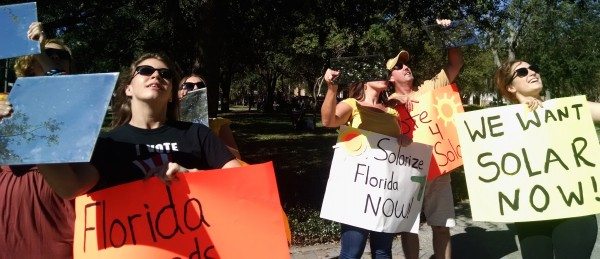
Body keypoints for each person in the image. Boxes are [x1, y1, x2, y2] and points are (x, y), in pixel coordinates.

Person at [36, 53, 241, 199]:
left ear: (171, 94)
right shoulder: (108, 144)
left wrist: (192, 175)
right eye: (145, 71)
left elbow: (242, 181)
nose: (156, 76)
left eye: (165, 74)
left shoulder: (197, 134)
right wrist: (33, 132)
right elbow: (70, 188)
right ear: (128, 89)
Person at [495, 59, 599, 259]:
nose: (532, 73)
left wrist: (546, 108)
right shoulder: (501, 124)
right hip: (531, 216)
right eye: (523, 72)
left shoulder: (568, 109)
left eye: (534, 69)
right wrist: (523, 112)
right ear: (510, 86)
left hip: (575, 211)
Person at [386, 19, 464, 259]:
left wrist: (449, 32)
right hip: (406, 172)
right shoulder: (385, 104)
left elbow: (456, 64)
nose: (405, 67)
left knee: (442, 226)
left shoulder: (429, 88)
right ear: (390, 78)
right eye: (398, 66)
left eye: (406, 64)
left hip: (439, 169)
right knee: (408, 228)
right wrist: (391, 102)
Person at [0, 22, 75, 258]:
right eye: (47, 54)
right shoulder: (5, 101)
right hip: (11, 210)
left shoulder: (76, 101)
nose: (52, 58)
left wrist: (39, 48)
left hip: (53, 209)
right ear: (29, 66)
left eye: (59, 56)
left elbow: (60, 85)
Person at [321, 68, 405, 258]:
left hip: (385, 193)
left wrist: (404, 141)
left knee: (383, 252)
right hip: (357, 191)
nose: (384, 76)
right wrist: (332, 89)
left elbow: (397, 146)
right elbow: (328, 120)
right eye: (378, 72)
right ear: (364, 80)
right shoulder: (352, 104)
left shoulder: (392, 112)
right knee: (352, 252)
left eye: (386, 73)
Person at [178, 68, 242, 160]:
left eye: (200, 86)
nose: (196, 88)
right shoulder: (172, 124)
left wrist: (210, 139)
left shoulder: (219, 124)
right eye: (189, 86)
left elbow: (237, 157)